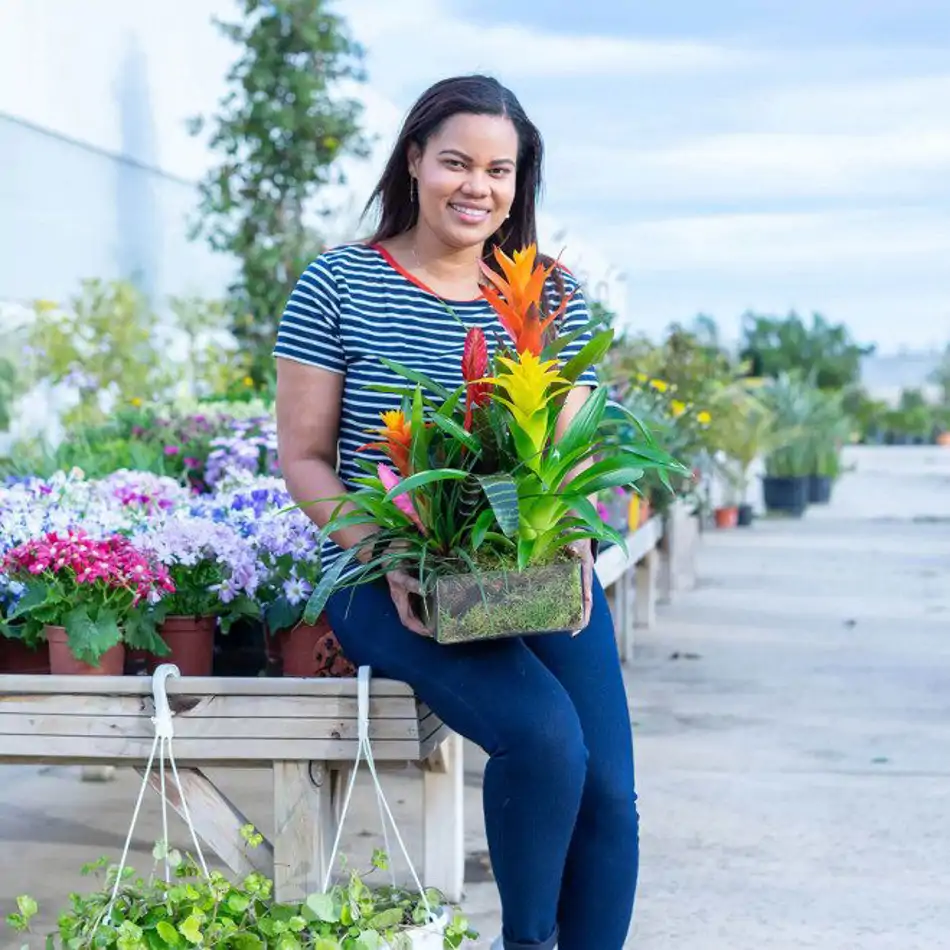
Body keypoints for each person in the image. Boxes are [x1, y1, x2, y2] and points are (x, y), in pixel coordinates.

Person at [274, 74, 638, 950]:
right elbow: (304, 458)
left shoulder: (549, 293)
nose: (479, 187)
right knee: (545, 740)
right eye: (457, 163)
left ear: (520, 184)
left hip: (534, 571)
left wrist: (575, 528)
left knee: (610, 797)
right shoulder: (338, 285)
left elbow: (577, 446)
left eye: (501, 171)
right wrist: (383, 551)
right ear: (413, 162)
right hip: (388, 576)